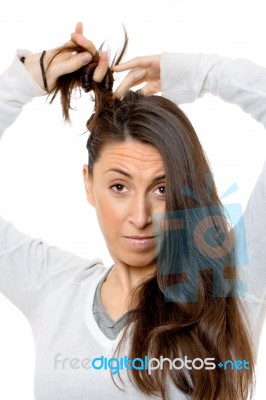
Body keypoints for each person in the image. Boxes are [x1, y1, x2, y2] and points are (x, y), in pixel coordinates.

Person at [0, 21, 265, 400]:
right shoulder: (54, 286)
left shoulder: (231, 286)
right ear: (89, 184)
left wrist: (197, 73)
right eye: (119, 187)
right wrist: (26, 79)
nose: (140, 216)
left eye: (161, 188)